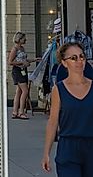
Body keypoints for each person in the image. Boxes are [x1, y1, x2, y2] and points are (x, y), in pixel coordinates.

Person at [42, 42, 93, 175]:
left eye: (82, 57)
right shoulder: (59, 89)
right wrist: (46, 152)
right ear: (64, 63)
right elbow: (53, 121)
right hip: (68, 148)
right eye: (73, 58)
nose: (79, 61)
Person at [9, 32, 35, 119]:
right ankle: (21, 111)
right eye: (24, 38)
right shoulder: (15, 49)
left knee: (19, 91)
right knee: (25, 91)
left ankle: (15, 111)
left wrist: (33, 60)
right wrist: (21, 63)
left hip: (23, 70)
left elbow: (24, 59)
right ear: (19, 39)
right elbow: (10, 62)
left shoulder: (22, 48)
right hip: (18, 71)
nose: (25, 40)